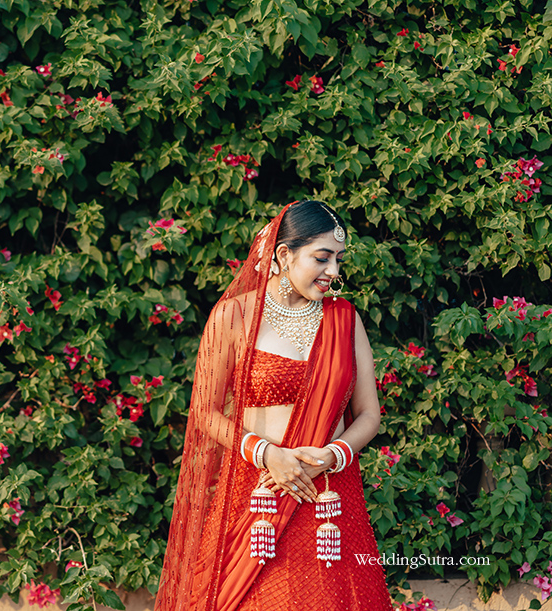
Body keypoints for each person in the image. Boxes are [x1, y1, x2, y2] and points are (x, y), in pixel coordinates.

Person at [154, 200, 392, 611]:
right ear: (284, 254)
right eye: (322, 258)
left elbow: (370, 414)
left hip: (327, 494)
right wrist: (268, 455)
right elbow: (205, 411)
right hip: (259, 492)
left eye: (339, 259)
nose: (333, 271)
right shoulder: (234, 316)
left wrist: (332, 455)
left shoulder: (345, 319)